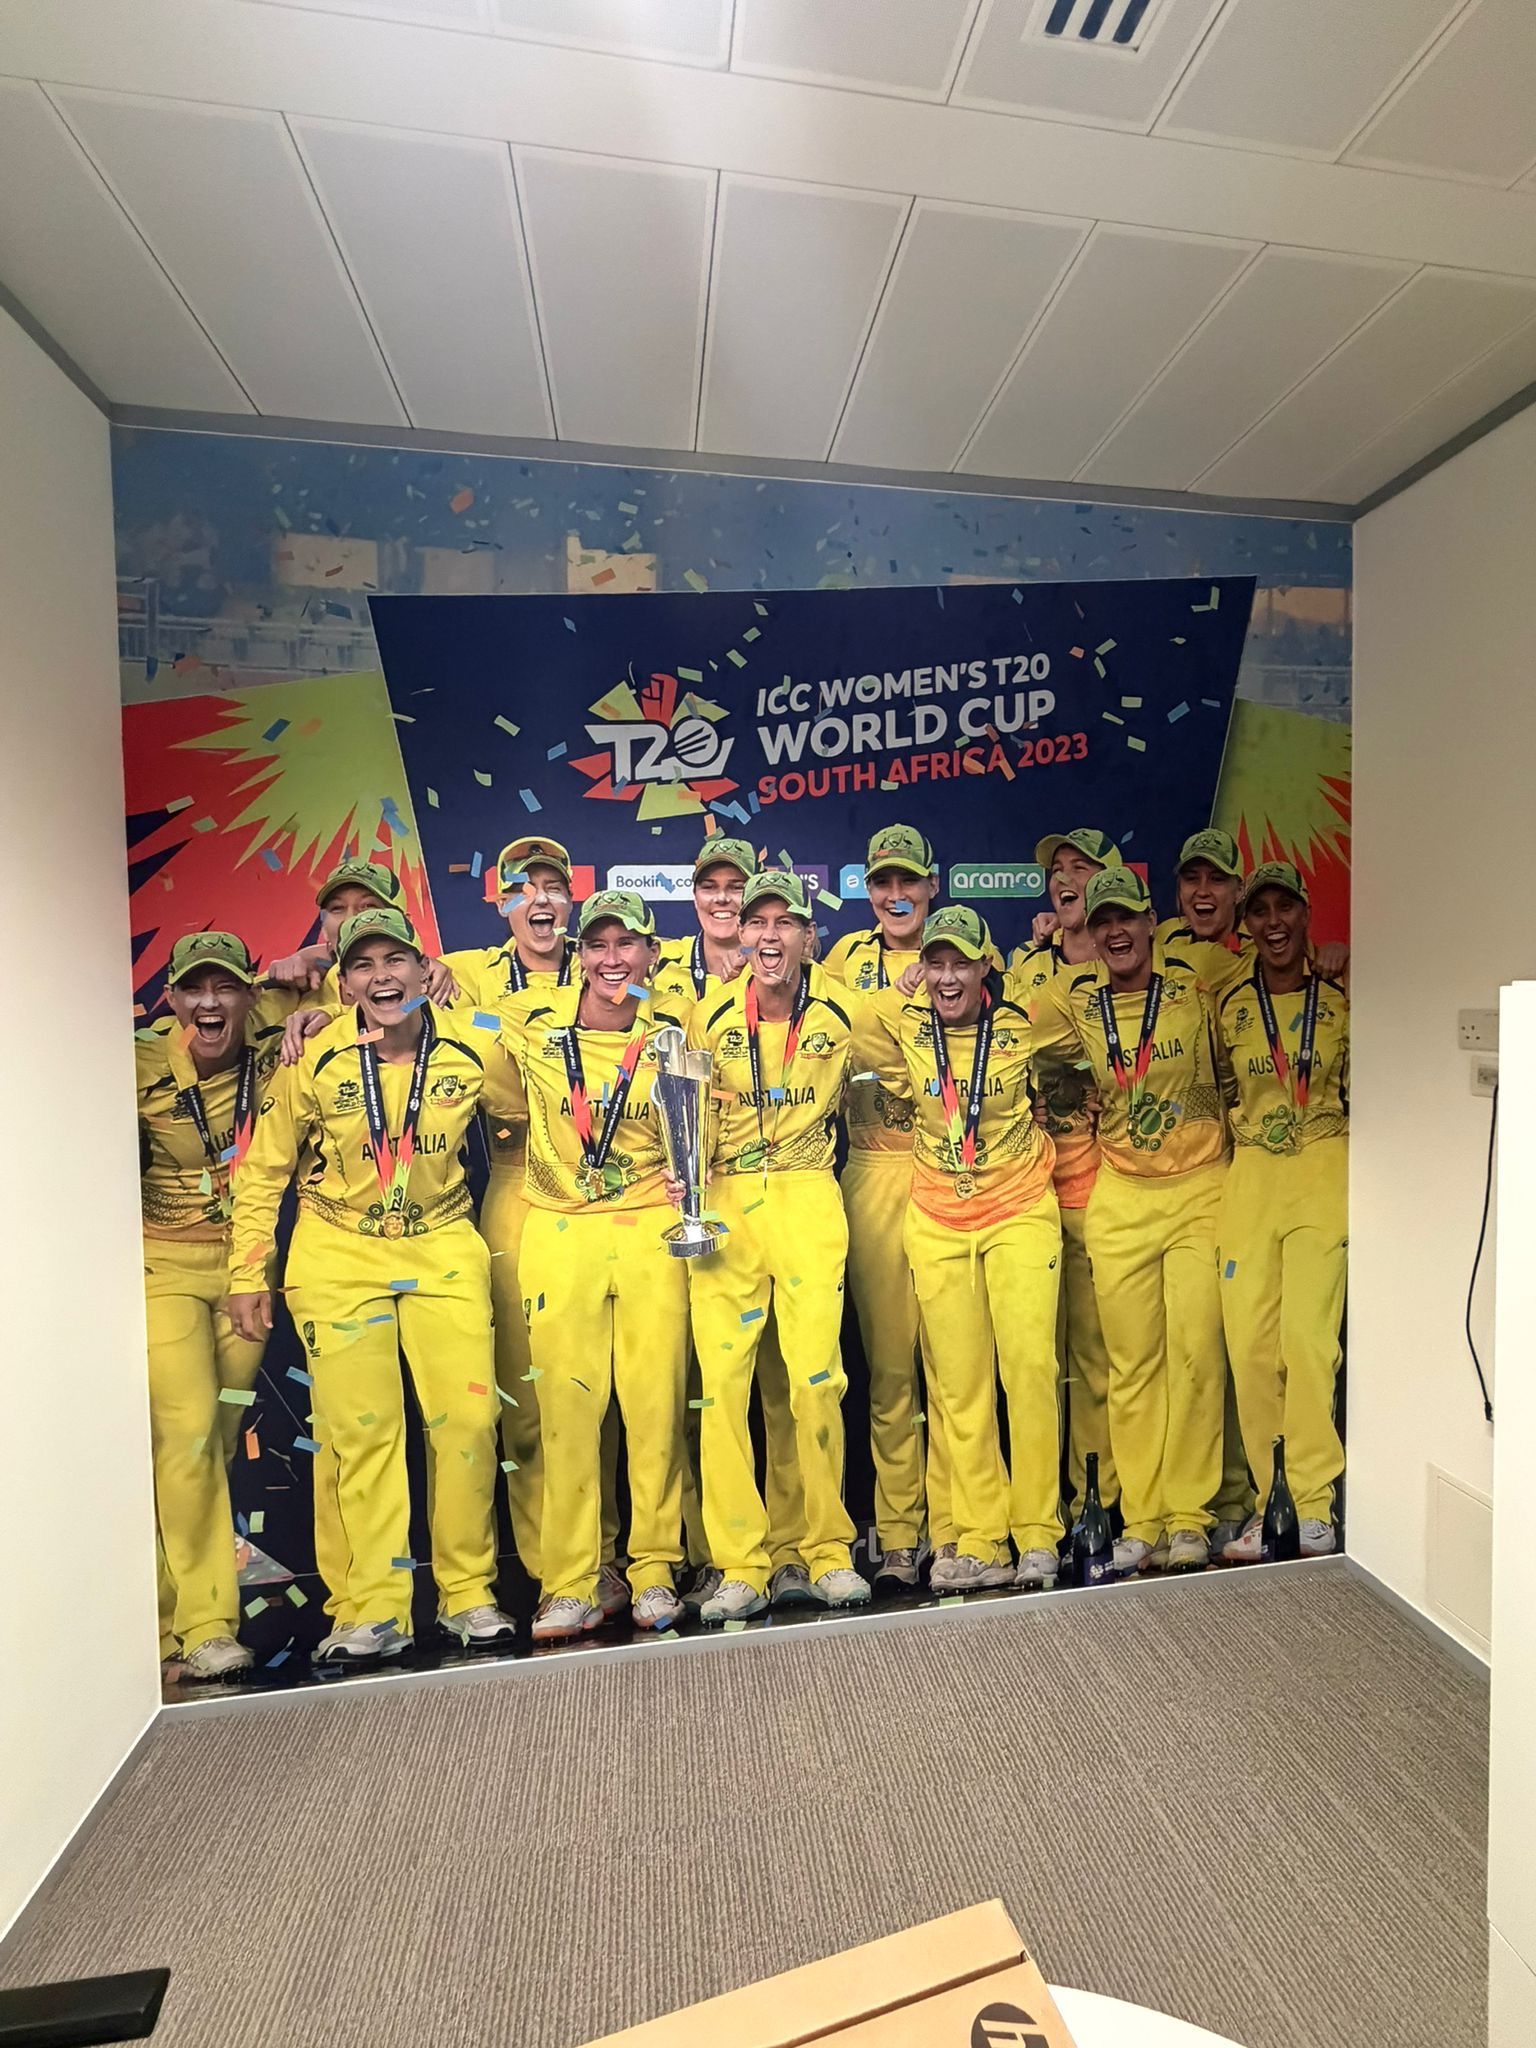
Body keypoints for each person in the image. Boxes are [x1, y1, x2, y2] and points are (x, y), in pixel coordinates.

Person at [228, 906, 521, 1663]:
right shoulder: (313, 1054)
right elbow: (261, 1175)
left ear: (428, 972)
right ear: (344, 980)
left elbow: (539, 1115)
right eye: (363, 965)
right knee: (364, 1436)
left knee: (466, 1425)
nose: (383, 977)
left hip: (442, 1243)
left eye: (398, 961)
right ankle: (375, 1609)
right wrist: (244, 1274)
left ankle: (468, 1595)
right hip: (337, 1250)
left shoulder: (474, 1047)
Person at [438, 835, 622, 1619]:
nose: (540, 900)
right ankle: (553, 1572)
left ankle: (607, 1560)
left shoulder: (611, 960)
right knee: (526, 1397)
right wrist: (305, 999)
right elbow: (372, 997)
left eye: (553, 884)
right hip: (516, 1184)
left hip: (610, 1184)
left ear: (572, 898)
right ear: (501, 900)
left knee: (602, 1392)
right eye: (523, 887)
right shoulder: (468, 974)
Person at [502, 891, 692, 1640]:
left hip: (648, 1229)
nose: (613, 960)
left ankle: (653, 1571)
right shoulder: (529, 1022)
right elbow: (425, 1023)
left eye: (628, 945)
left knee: (653, 1408)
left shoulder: (671, 1035)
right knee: (568, 1416)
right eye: (598, 945)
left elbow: (694, 1133)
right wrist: (318, 1013)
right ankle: (573, 1580)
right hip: (559, 1232)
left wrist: (686, 1183)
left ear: (650, 954)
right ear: (578, 954)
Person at [1030, 867, 1231, 1576]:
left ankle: (1190, 1515)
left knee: (1196, 1357)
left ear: (1153, 923)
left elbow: (1268, 979)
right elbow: (1010, 1029)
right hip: (1120, 1195)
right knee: (1133, 1365)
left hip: (1199, 1190)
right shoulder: (1077, 1002)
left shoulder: (1200, 985)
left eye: (1127, 919)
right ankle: (1143, 1517)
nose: (1114, 932)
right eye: (1100, 920)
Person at [682, 870, 871, 1623]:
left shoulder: (845, 1008)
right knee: (724, 1389)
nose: (768, 936)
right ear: (743, 935)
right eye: (756, 922)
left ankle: (825, 1550)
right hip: (727, 1201)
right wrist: (686, 1182)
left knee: (816, 1380)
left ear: (806, 935)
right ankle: (741, 1563)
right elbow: (683, 1113)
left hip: (806, 1195)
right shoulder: (705, 1016)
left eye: (784, 923)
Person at [857, 907, 1064, 1592]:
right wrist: (902, 987)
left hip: (1019, 1209)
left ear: (985, 968)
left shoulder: (1023, 1025)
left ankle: (1037, 1531)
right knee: (958, 1383)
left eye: (961, 964)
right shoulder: (908, 1027)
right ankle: (979, 1539)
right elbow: (850, 1023)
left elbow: (1088, 1029)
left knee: (1030, 1369)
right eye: (936, 963)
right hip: (938, 1216)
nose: (947, 978)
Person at [138, 932, 291, 1681]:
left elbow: (355, 993)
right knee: (188, 1431)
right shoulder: (132, 1061)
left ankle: (162, 1616)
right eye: (193, 989)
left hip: (246, 1267)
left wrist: (305, 978)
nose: (209, 1003)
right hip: (159, 1265)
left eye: (225, 987)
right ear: (170, 1000)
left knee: (219, 1434)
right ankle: (200, 1626)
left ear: (247, 996)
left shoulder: (274, 1036)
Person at [821, 824, 949, 1590]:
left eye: (909, 882)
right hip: (871, 1167)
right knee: (893, 1368)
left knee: (961, 1365)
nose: (896, 896)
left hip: (952, 1170)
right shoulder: (841, 959)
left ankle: (967, 1522)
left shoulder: (975, 954)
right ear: (867, 889)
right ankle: (898, 1532)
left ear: (933, 885)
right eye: (882, 883)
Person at [1213, 863, 1348, 1562]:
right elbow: (1219, 1084)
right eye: (1260, 909)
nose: (1272, 922)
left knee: (1308, 1344)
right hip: (1253, 1175)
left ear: (1304, 916)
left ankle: (1317, 1505)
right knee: (1251, 1348)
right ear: (1248, 921)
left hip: (1323, 1167)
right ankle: (1275, 1505)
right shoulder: (1230, 1004)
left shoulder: (1343, 994)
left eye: (1285, 908)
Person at [1005, 830, 1122, 1524]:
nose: (1066, 879)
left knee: (1100, 1358)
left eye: (1082, 867)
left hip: (1108, 1185)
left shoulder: (1139, 962)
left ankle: (1100, 1504)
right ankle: (1039, 1515)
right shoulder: (1024, 968)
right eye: (1057, 871)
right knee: (1033, 1367)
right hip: (1028, 1193)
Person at [267, 858, 456, 1007]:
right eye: (337, 908)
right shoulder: (298, 995)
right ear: (324, 928)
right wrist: (276, 979)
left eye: (368, 906)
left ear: (406, 923)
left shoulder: (444, 984)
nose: (350, 919)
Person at [654, 836, 755, 1003]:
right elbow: (617, 1001)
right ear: (695, 898)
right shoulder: (658, 960)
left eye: (737, 887)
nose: (721, 898)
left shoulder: (772, 968)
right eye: (709, 887)